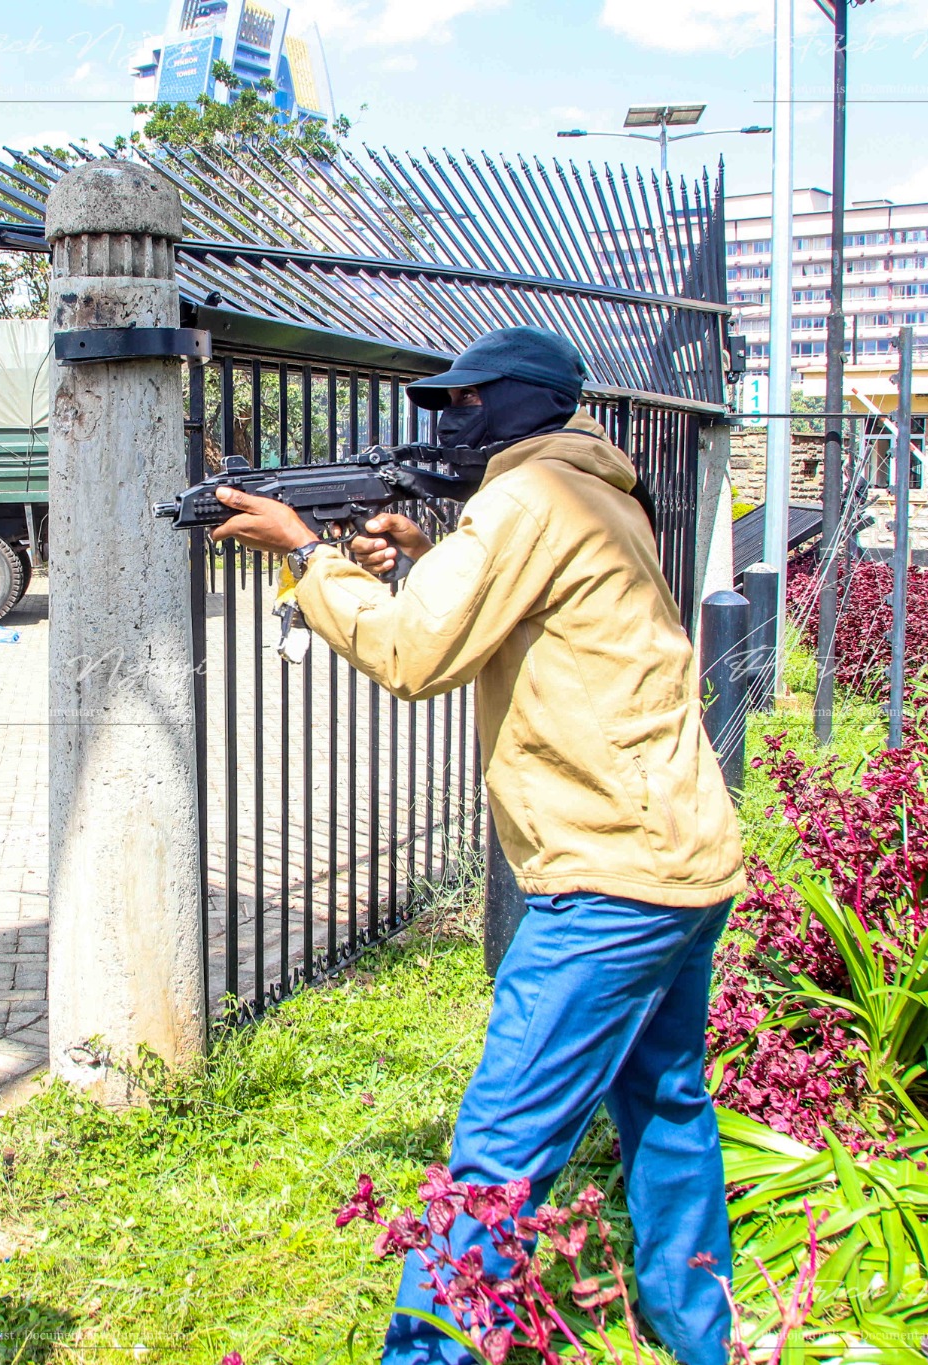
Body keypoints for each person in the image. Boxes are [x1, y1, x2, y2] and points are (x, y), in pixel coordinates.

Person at [210, 326, 744, 1365]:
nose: (448, 420)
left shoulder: (526, 496)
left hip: (609, 882)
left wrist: (305, 556)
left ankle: (427, 1354)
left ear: (524, 403)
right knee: (667, 1102)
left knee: (498, 1150)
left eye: (464, 403)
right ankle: (700, 1335)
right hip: (682, 855)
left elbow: (414, 654)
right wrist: (420, 554)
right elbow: (537, 605)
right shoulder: (593, 487)